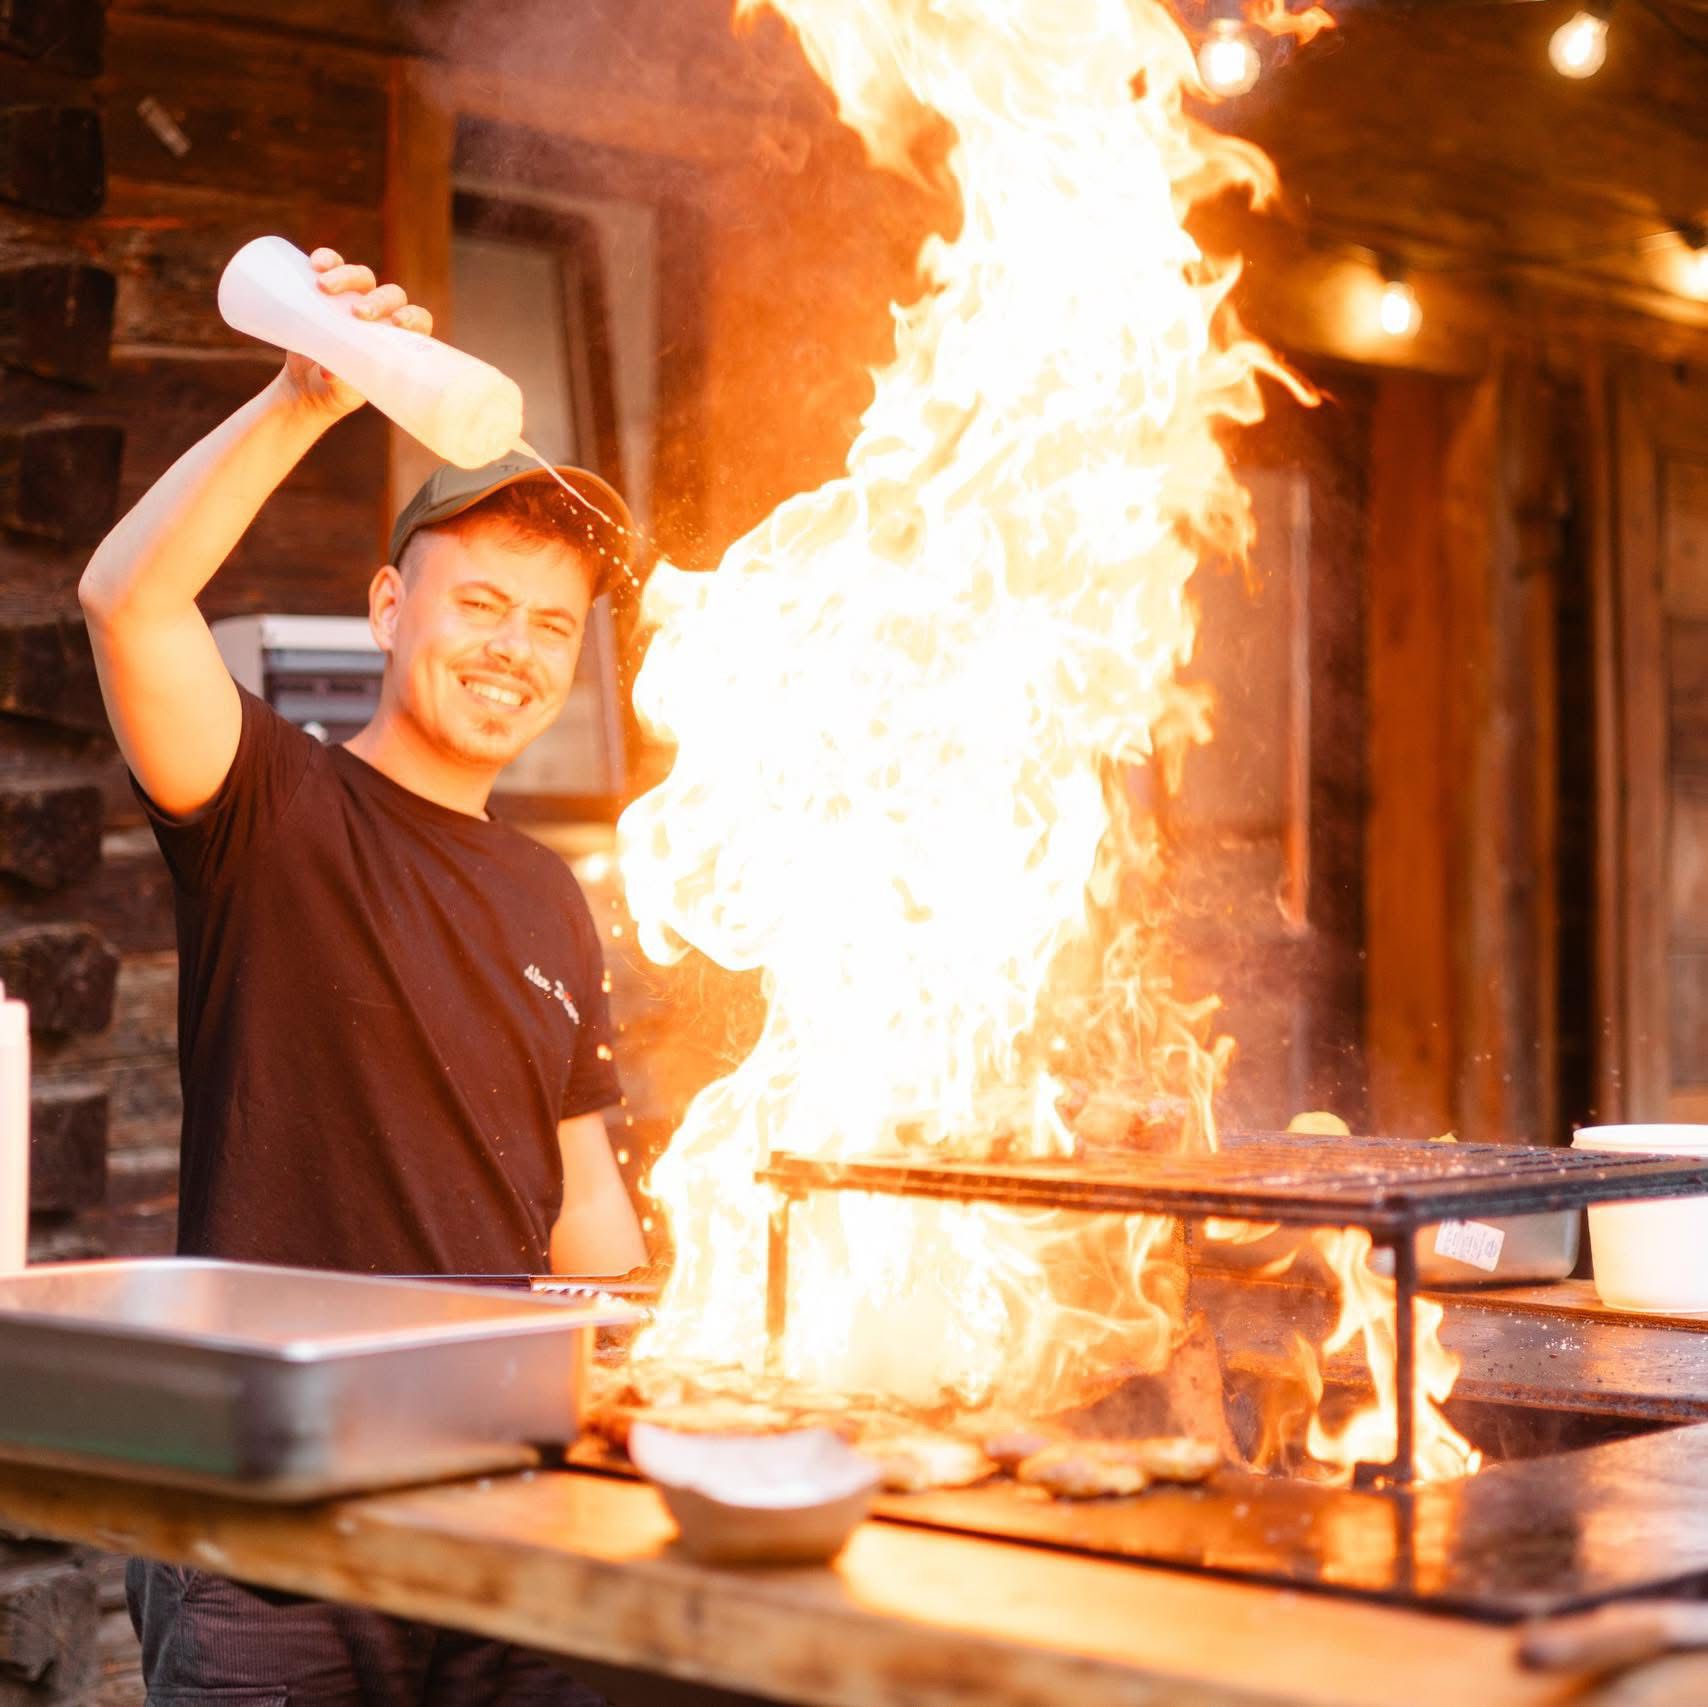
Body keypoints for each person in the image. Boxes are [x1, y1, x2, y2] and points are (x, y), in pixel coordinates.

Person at [79, 246, 645, 1704]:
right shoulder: (274, 808)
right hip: (276, 1532)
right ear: (392, 607)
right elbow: (128, 603)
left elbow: (586, 1215)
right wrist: (305, 396)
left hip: (504, 1508)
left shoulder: (550, 894)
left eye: (553, 625)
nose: (516, 651)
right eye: (482, 604)